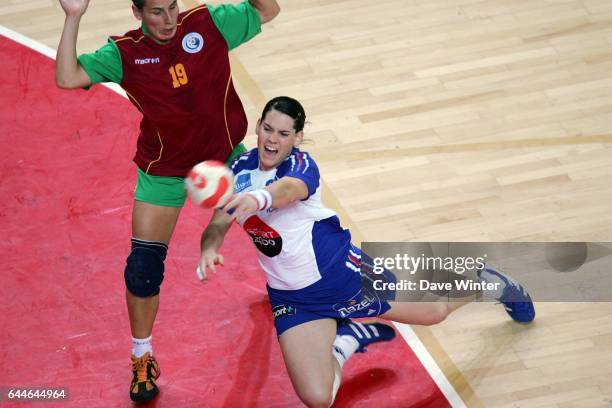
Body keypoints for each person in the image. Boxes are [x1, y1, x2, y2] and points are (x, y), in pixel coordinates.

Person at [198, 96, 536, 408]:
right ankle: (346, 338)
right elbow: (218, 222)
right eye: (268, 129)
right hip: (293, 299)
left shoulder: (301, 167)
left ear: (297, 138)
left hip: (345, 277)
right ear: (257, 126)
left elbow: (288, 191)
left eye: (284, 133)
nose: (272, 139)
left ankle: (487, 279)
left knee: (434, 312)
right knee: (318, 398)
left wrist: (257, 200)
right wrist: (209, 249)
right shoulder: (240, 170)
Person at [55, 0, 280, 402]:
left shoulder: (210, 23)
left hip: (227, 160)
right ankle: (142, 356)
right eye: (156, 12)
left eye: (173, 6)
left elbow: (268, 10)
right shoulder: (124, 54)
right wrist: (73, 16)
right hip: (165, 172)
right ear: (137, 12)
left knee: (280, 227)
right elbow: (68, 77)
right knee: (142, 269)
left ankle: (291, 288)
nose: (169, 19)